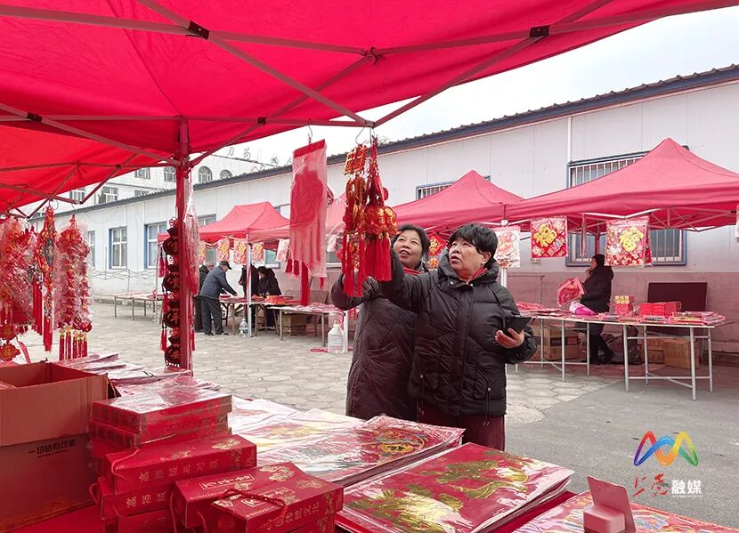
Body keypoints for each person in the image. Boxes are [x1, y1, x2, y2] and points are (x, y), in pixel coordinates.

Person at [382, 223, 536, 450]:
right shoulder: (429, 283)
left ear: (484, 257)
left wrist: (519, 343)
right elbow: (396, 287)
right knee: (431, 466)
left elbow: (526, 345)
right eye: (453, 244)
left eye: (465, 245)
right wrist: (383, 247)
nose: (455, 249)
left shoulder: (499, 296)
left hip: (481, 405)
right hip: (433, 398)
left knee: (482, 467)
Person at [331, 224, 430, 421]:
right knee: (369, 430)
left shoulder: (429, 283)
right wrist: (348, 280)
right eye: (401, 240)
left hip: (413, 372)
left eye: (414, 242)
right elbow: (344, 300)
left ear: (423, 253)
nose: (406, 245)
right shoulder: (376, 276)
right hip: (375, 372)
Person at [581, 253, 615, 364]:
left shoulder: (604, 276)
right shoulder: (594, 275)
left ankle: (602, 354)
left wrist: (583, 297)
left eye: (593, 262)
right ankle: (597, 356)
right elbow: (588, 288)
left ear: (599, 263)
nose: (591, 264)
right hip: (589, 307)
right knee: (590, 333)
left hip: (598, 308)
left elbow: (599, 292)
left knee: (594, 333)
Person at [199, 260, 237, 336]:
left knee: (206, 313)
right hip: (211, 295)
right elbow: (224, 284)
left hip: (203, 293)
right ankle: (219, 331)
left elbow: (214, 283)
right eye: (227, 269)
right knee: (217, 313)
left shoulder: (213, 271)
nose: (227, 271)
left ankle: (207, 331)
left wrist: (222, 291)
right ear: (224, 267)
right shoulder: (220, 272)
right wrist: (233, 292)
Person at [193, 262, 214, 332]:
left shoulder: (201, 272)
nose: (212, 269)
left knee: (200, 311)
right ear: (209, 267)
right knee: (199, 311)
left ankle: (199, 327)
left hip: (197, 294)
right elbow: (205, 284)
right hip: (199, 295)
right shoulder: (203, 274)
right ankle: (198, 327)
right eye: (212, 267)